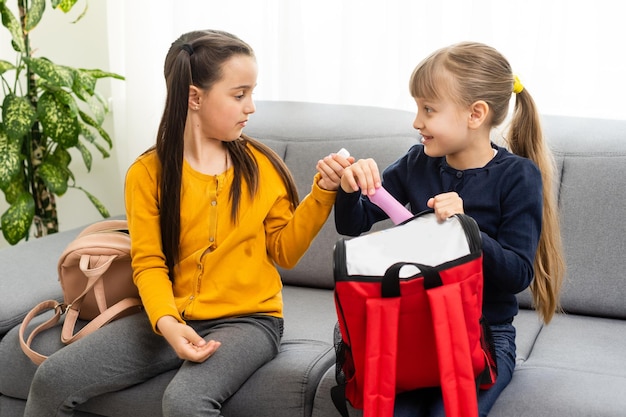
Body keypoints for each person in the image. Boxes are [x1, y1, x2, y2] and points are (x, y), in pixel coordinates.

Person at [24, 29, 351, 417]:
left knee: (184, 401)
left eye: (252, 93)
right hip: (167, 316)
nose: (251, 107)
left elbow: (287, 251)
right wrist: (168, 323)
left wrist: (322, 192)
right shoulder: (147, 173)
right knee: (51, 379)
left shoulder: (262, 168)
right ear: (195, 97)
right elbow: (148, 262)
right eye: (239, 94)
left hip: (249, 321)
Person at [334, 41, 565, 417]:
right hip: (416, 332)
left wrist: (465, 230)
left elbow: (517, 274)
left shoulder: (518, 176)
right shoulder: (416, 163)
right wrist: (347, 188)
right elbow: (353, 222)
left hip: (484, 336)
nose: (416, 122)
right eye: (417, 108)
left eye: (428, 109)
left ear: (475, 114)